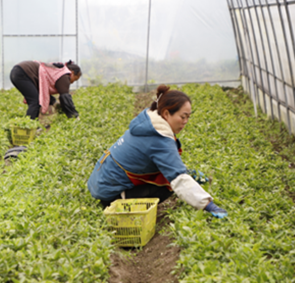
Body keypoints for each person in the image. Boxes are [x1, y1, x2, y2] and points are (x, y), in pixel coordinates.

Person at [87, 84, 227, 218]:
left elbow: (167, 163)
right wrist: (208, 205)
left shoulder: (148, 123)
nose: (185, 122)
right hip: (111, 196)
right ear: (166, 113)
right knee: (169, 186)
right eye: (182, 117)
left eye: (188, 117)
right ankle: (124, 202)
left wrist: (186, 172)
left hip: (100, 184)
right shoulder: (159, 140)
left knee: (169, 176)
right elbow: (178, 179)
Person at [10, 60, 81, 120]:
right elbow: (65, 98)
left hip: (18, 71)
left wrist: (53, 102)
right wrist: (74, 116)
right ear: (72, 73)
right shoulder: (65, 75)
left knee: (35, 100)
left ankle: (32, 124)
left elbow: (43, 92)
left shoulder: (58, 70)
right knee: (35, 101)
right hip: (22, 73)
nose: (71, 82)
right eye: (74, 79)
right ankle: (29, 126)